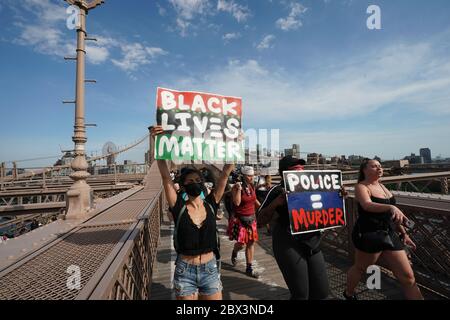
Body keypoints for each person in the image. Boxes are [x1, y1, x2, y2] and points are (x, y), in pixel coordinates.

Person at [151, 125, 235, 300]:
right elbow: (166, 177)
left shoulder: (211, 203)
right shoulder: (179, 206)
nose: (195, 183)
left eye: (198, 180)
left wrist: (235, 143)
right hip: (185, 271)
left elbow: (226, 173)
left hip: (210, 269)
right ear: (183, 186)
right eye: (190, 181)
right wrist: (158, 142)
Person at [344, 158, 423, 300]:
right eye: (374, 166)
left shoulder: (382, 186)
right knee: (360, 268)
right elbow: (367, 205)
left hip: (389, 233)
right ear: (364, 170)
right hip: (370, 233)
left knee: (408, 278)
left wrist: (404, 234)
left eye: (380, 166)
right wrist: (391, 206)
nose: (379, 168)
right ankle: (348, 293)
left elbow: (392, 215)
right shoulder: (362, 186)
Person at [257, 156, 330, 300]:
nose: (300, 172)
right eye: (295, 169)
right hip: (288, 242)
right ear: (283, 173)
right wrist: (277, 203)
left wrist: (337, 196)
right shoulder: (277, 190)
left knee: (322, 292)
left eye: (302, 169)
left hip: (312, 241)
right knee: (301, 294)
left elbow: (326, 209)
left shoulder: (315, 187)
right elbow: (260, 219)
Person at [228, 166, 261, 278]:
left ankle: (249, 267)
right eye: (249, 175)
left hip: (252, 218)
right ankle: (235, 251)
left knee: (251, 243)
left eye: (252, 175)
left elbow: (254, 199)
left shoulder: (252, 186)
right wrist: (238, 189)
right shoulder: (236, 187)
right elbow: (237, 203)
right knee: (241, 244)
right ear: (242, 176)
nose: (251, 177)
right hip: (241, 220)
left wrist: (262, 208)